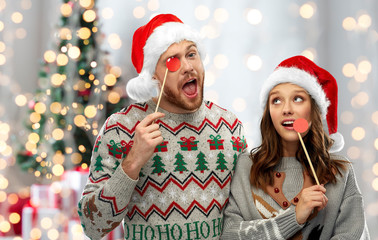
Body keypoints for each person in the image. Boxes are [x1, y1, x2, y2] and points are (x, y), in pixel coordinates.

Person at [78, 14, 247, 240]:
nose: (188, 67)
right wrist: (133, 162)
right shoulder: (119, 128)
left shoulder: (230, 127)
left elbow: (246, 214)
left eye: (191, 54)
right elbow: (92, 226)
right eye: (172, 61)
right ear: (153, 75)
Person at [221, 55, 370, 239]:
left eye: (298, 99)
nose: (286, 109)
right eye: (276, 100)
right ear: (269, 112)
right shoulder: (246, 166)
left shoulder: (341, 172)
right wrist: (294, 217)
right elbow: (230, 235)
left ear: (314, 109)